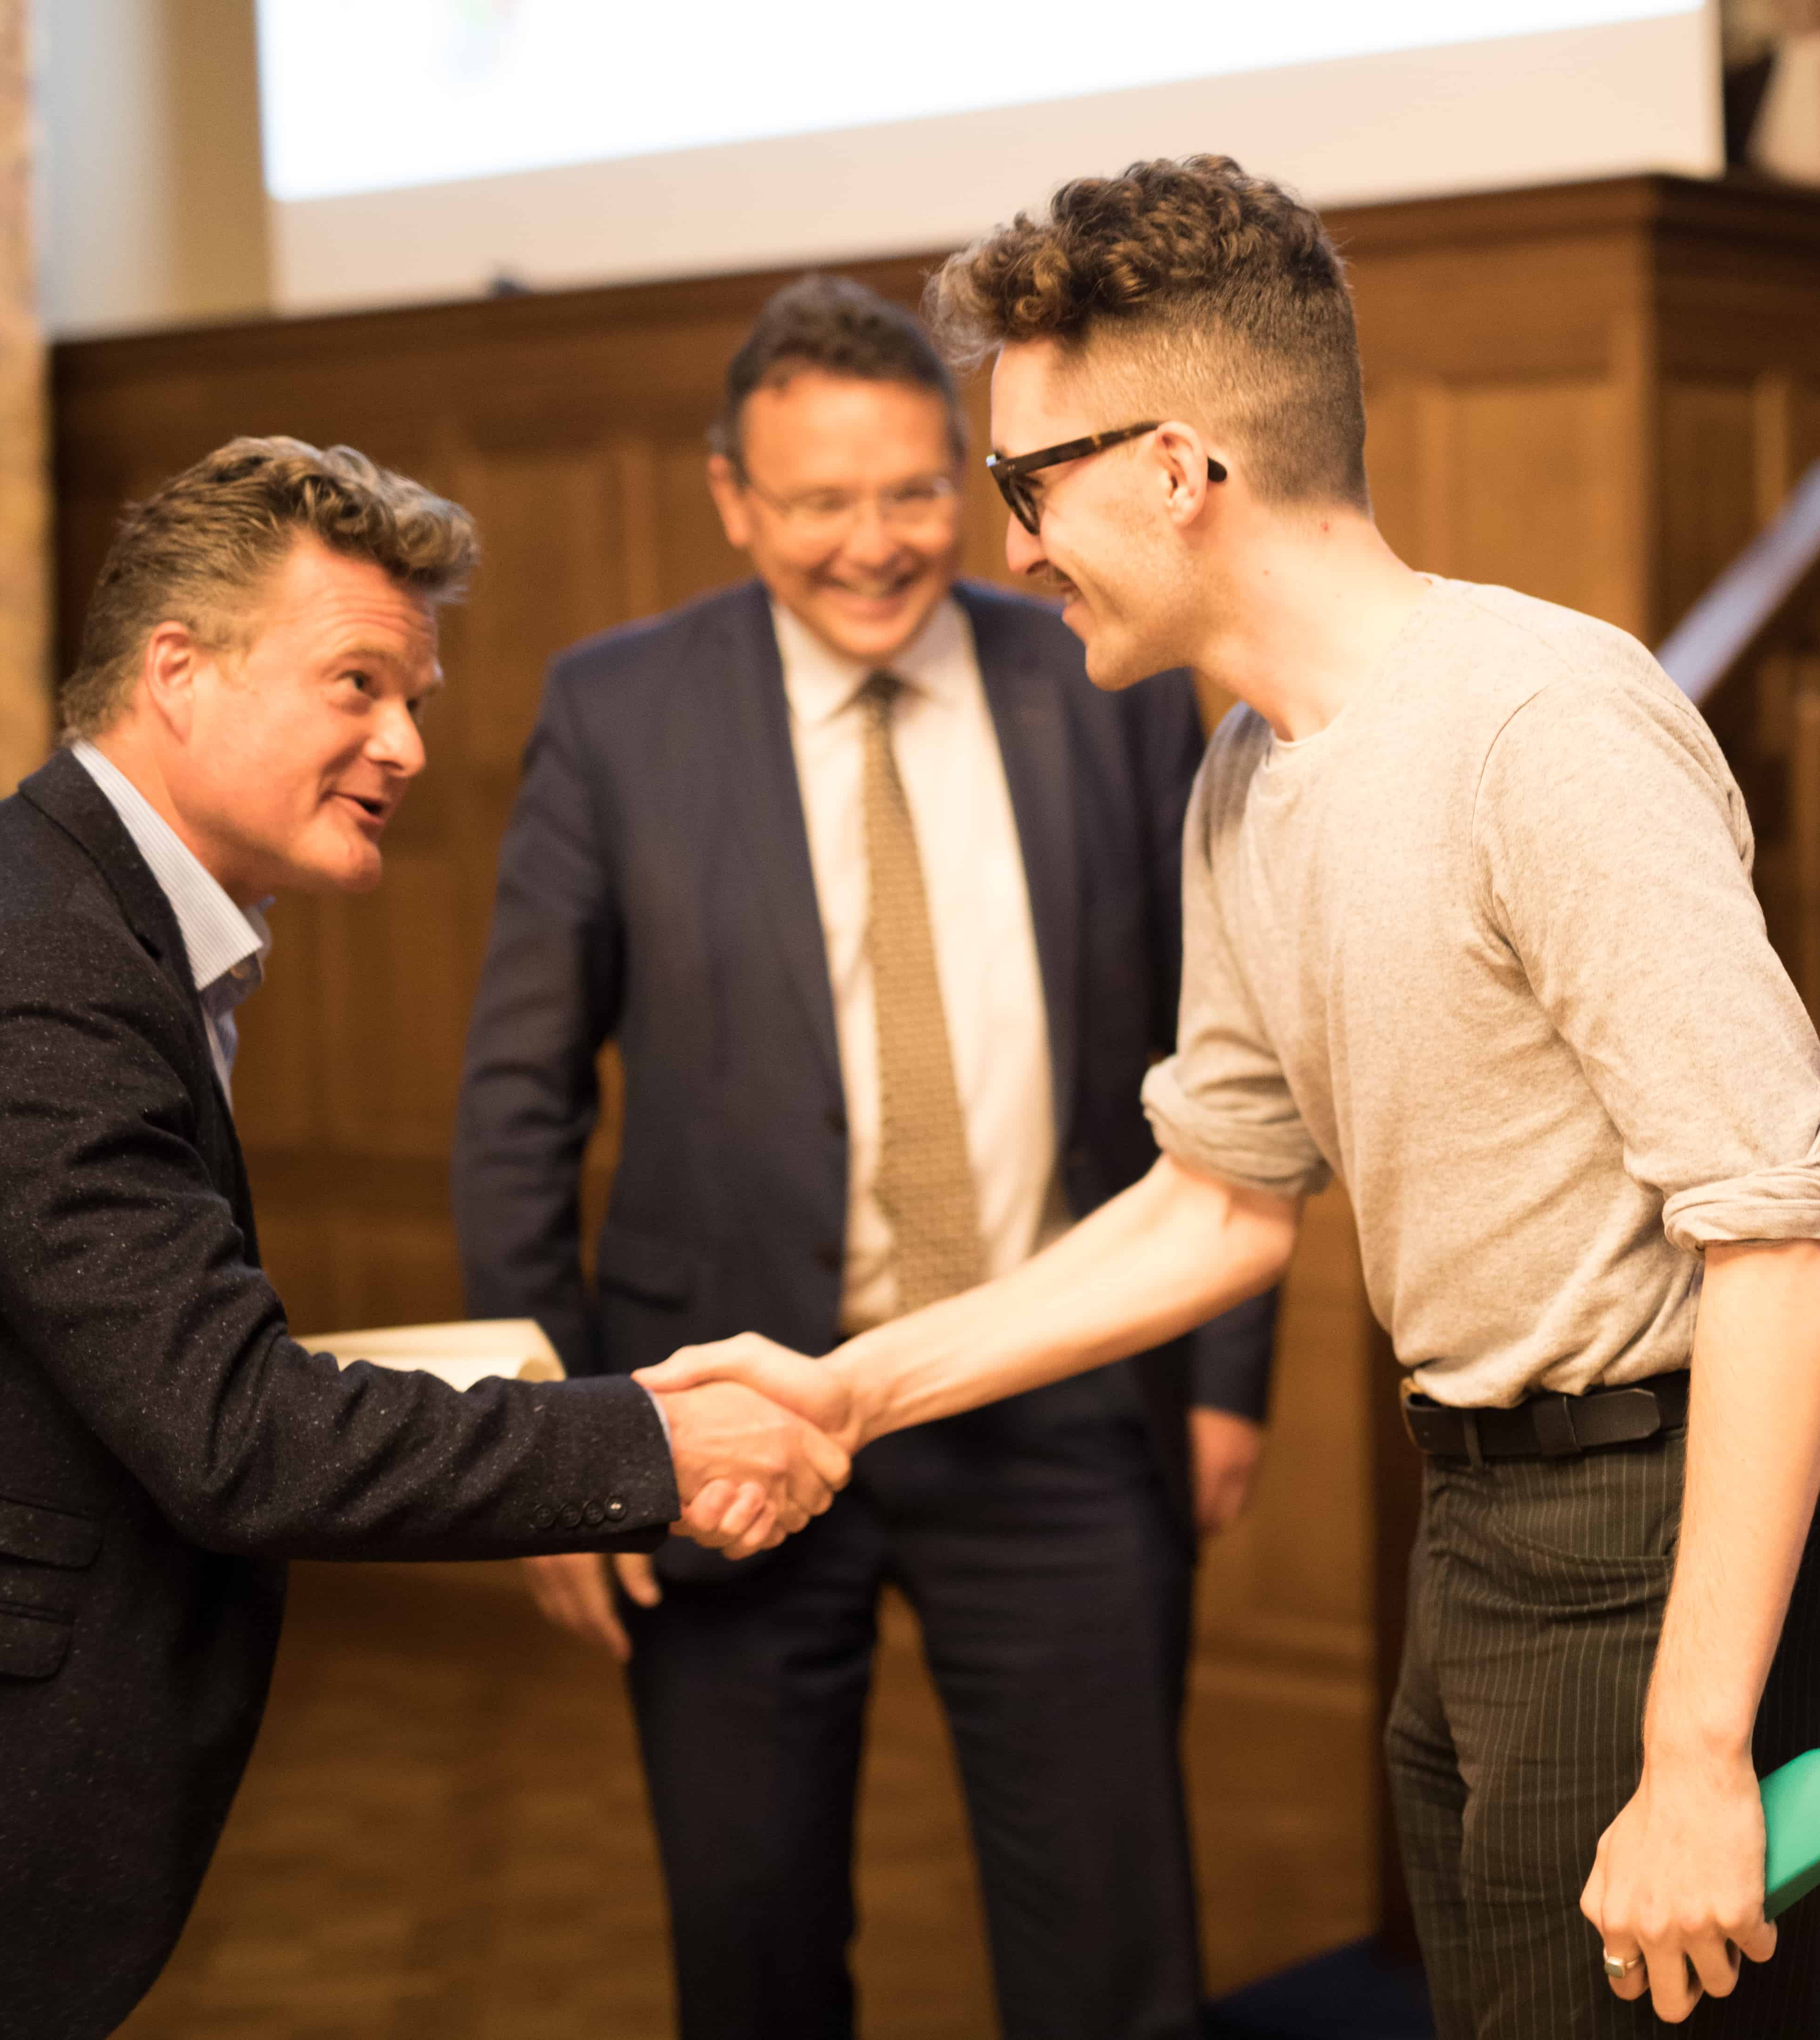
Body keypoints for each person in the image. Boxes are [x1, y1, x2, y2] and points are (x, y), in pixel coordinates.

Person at [647, 160, 1820, 2033]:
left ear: (1174, 466)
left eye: (1023, 484)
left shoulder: (1542, 725)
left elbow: (1782, 1235)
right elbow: (1220, 1199)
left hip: (1652, 1528)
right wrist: (848, 1387)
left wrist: (1698, 1749)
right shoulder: (1245, 773)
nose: (1009, 550)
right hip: (1469, 1528)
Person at [0, 438, 846, 2040]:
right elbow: (231, 1433)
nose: (404, 744)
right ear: (176, 672)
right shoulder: (24, 957)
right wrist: (657, 1449)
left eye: (418, 700)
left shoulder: (87, 918)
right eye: (358, 684)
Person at [452, 274, 1275, 2040]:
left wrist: (1224, 1376)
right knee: (748, 1953)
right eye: (817, 501)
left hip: (1057, 1396)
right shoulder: (616, 711)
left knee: (1115, 1953)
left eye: (913, 490)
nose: (873, 542)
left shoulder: (1111, 680)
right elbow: (523, 1094)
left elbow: (1223, 1047)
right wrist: (547, 1449)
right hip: (724, 1418)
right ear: (733, 499)